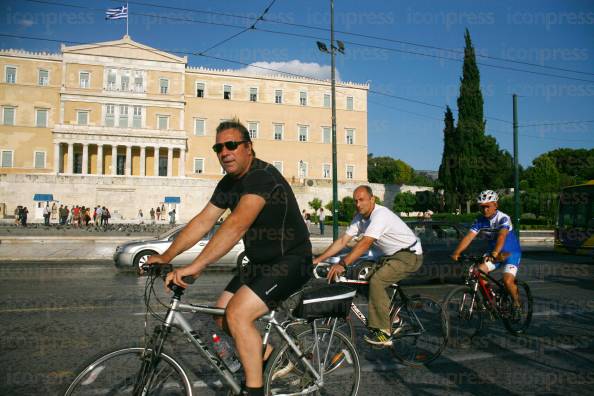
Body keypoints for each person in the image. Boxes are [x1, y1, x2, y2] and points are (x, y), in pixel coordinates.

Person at [148, 120, 312, 396]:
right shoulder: (228, 183)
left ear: (249, 148)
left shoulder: (262, 177)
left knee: (237, 314)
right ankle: (267, 356)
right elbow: (203, 222)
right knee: (221, 316)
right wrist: (165, 254)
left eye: (232, 145)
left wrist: (196, 266)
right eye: (219, 147)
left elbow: (236, 225)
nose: (225, 152)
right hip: (259, 263)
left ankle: (255, 390)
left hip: (291, 260)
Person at [313, 185, 423, 346]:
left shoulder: (380, 215)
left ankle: (384, 332)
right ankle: (396, 319)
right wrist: (318, 259)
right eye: (355, 201)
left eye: (362, 200)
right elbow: (343, 241)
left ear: (372, 199)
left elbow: (365, 243)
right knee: (364, 280)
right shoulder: (359, 218)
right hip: (390, 256)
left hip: (409, 254)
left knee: (377, 281)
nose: (358, 204)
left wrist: (343, 263)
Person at [451, 190, 523, 320]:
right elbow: (468, 237)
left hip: (509, 253)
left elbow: (501, 237)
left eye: (487, 206)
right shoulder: (479, 220)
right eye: (482, 207)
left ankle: (517, 304)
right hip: (493, 253)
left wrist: (495, 253)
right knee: (478, 271)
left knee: (507, 280)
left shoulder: (503, 218)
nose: (484, 210)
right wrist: (457, 252)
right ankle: (491, 302)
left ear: (495, 205)